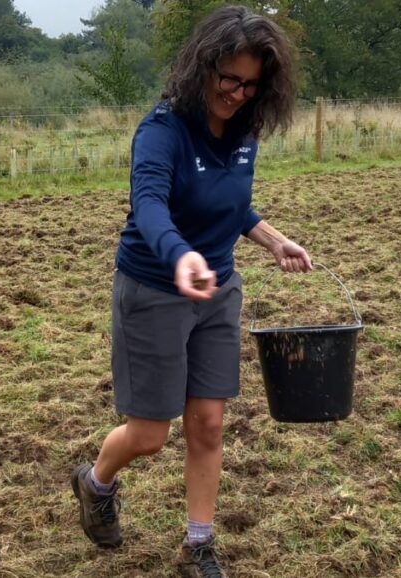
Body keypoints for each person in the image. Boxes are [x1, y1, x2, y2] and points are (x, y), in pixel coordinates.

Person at [71, 6, 310, 577]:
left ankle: (198, 543)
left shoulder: (246, 129)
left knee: (208, 422)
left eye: (251, 84)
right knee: (150, 435)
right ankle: (96, 482)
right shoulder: (162, 130)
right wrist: (181, 257)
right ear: (203, 65)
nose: (236, 92)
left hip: (219, 288)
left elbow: (228, 202)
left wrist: (272, 239)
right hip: (154, 287)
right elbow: (149, 204)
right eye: (228, 77)